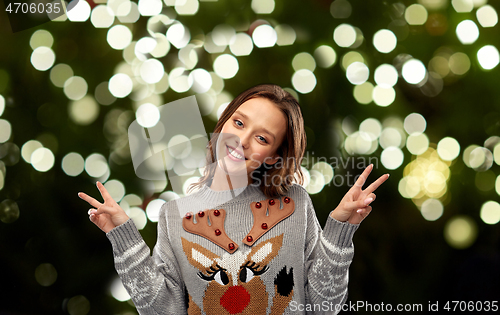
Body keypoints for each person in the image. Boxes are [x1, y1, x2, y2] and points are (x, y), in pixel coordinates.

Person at [78, 84, 389, 314]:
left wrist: (339, 229)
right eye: (239, 123)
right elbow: (163, 310)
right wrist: (123, 237)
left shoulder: (295, 204)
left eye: (262, 138)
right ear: (223, 123)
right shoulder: (174, 215)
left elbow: (324, 307)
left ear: (273, 156)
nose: (241, 141)